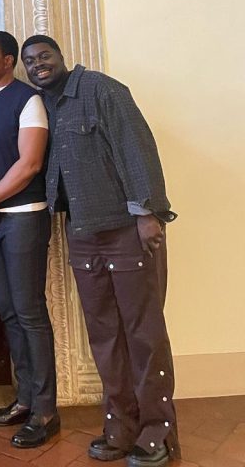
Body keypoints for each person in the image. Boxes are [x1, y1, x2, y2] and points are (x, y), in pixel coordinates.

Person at [21, 35, 178, 467]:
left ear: (61, 57)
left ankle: (158, 432)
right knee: (105, 336)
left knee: (143, 334)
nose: (38, 65)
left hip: (127, 229)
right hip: (83, 232)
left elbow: (136, 148)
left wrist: (148, 214)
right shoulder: (44, 106)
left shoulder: (102, 90)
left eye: (44, 56)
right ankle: (120, 427)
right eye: (30, 61)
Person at [0, 31, 59, 449]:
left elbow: (30, 163)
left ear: (7, 60)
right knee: (7, 311)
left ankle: (46, 410)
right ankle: (24, 399)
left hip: (22, 218)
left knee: (29, 312)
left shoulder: (28, 100)